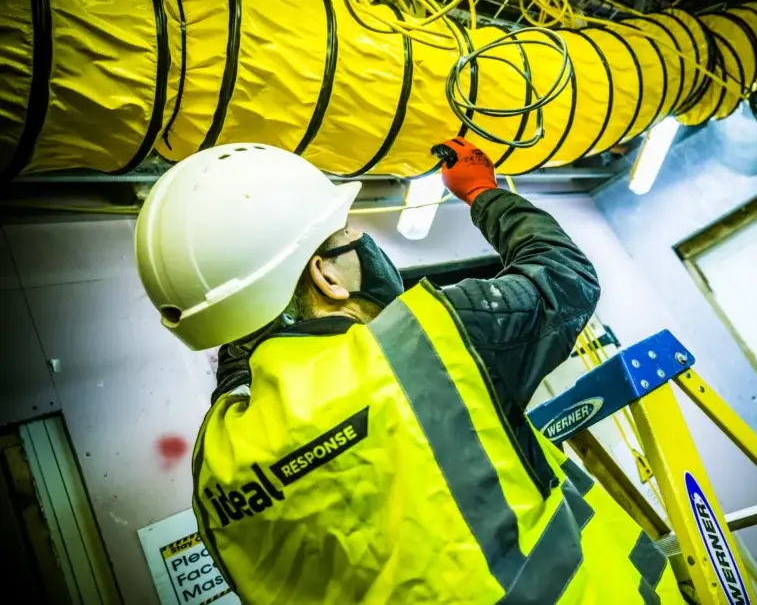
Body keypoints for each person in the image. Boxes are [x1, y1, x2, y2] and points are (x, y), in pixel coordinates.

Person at [135, 139, 682, 604]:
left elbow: (239, 358)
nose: (365, 246)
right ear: (325, 276)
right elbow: (565, 279)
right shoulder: (426, 341)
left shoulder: (217, 463)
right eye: (349, 235)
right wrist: (483, 193)